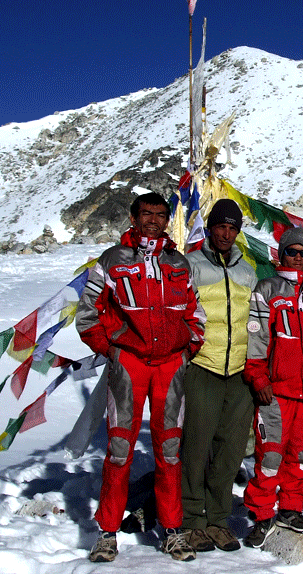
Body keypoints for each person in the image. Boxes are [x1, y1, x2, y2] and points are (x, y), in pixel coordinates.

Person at [76, 192, 206, 562]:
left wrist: (187, 350)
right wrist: (113, 350)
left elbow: (195, 315)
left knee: (169, 450)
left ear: (168, 220)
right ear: (134, 217)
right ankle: (107, 532)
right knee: (119, 450)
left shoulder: (178, 263)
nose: (153, 220)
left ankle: (173, 529)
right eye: (146, 213)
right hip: (129, 365)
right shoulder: (112, 261)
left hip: (170, 367)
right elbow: (88, 314)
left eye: (160, 214)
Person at [241, 226, 303, 548]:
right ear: (281, 253)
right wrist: (258, 377)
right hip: (276, 391)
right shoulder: (267, 289)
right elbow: (256, 339)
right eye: (291, 251)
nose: (297, 258)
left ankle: (291, 508)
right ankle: (262, 514)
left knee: (299, 456)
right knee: (269, 456)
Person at [180, 199, 258, 552]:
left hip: (240, 371)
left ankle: (218, 518)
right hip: (204, 366)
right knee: (196, 447)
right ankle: (193, 519)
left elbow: (257, 321)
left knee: (230, 451)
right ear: (210, 228)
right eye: (221, 227)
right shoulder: (190, 265)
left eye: (233, 228)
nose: (226, 234)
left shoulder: (247, 271)